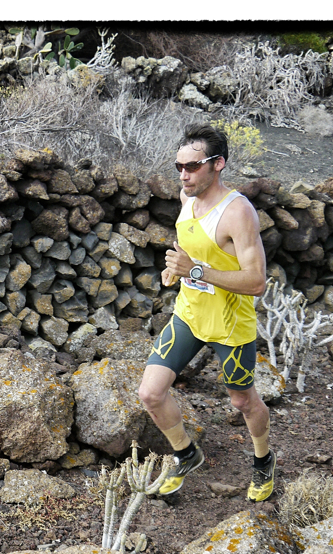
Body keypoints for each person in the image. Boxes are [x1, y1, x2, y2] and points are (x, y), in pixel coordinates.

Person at [137, 123, 276, 501]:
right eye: (179, 166)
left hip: (230, 325)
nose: (184, 175)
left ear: (218, 164)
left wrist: (195, 271)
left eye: (193, 166)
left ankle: (263, 460)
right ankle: (186, 454)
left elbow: (256, 282)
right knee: (150, 393)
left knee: (243, 402)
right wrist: (176, 269)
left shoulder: (238, 212)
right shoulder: (187, 199)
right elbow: (191, 245)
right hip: (189, 315)